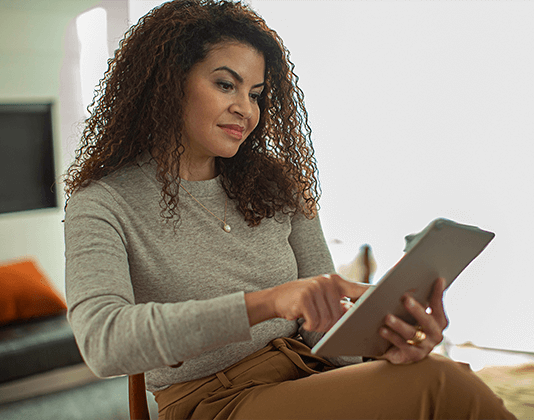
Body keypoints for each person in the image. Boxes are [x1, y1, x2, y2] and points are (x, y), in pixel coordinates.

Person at [63, 1, 516, 418]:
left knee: (441, 377)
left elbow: (326, 332)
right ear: (168, 82)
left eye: (256, 94)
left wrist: (386, 348)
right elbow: (105, 341)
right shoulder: (103, 204)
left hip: (308, 375)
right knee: (440, 385)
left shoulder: (275, 186)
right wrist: (268, 302)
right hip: (215, 403)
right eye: (226, 85)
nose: (246, 110)